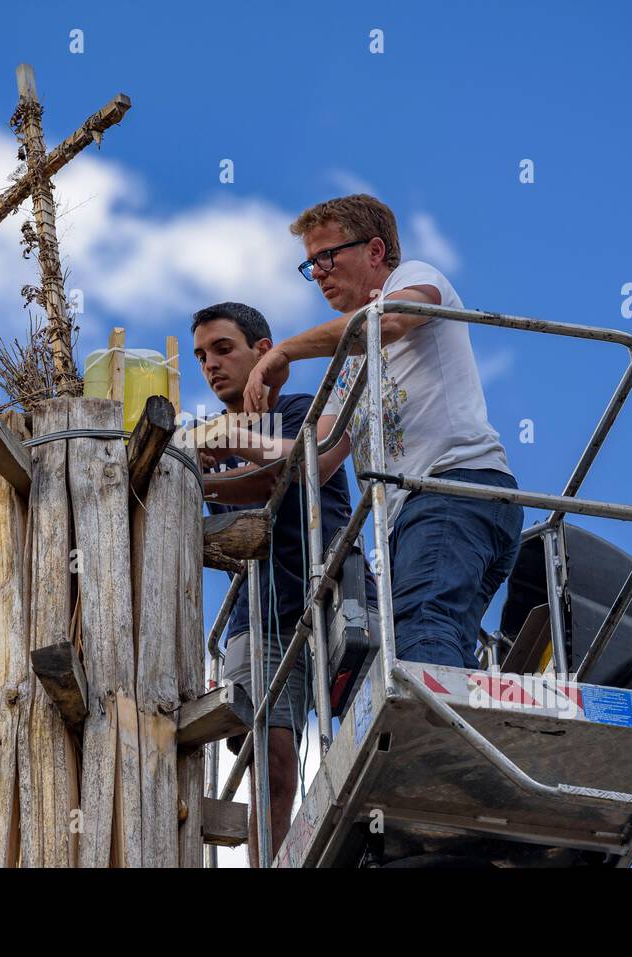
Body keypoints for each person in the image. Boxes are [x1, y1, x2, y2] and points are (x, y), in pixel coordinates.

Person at [242, 194, 523, 670]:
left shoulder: (415, 277)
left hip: (453, 490)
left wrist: (285, 350)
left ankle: (436, 744)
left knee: (421, 636)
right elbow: (319, 458)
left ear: (375, 251)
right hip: (414, 517)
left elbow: (389, 321)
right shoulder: (348, 365)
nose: (320, 272)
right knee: (428, 643)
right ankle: (458, 741)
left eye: (328, 255)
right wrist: (229, 444)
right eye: (311, 264)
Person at [192, 300, 356, 866]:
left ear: (263, 351)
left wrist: (203, 465)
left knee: (370, 738)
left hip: (329, 594)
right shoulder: (200, 449)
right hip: (257, 617)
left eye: (223, 348)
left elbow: (280, 472)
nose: (210, 365)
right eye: (201, 356)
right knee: (274, 760)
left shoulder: (297, 411)